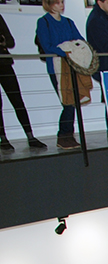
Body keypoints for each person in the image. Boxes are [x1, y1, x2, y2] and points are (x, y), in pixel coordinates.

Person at [36, 0, 87, 150]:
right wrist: (66, 51)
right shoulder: (44, 22)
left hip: (71, 66)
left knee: (72, 101)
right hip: (56, 67)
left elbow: (80, 40)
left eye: (62, 2)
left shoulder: (68, 22)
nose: (61, 5)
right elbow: (47, 46)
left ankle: (67, 135)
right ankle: (64, 135)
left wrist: (74, 50)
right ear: (49, 4)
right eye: (57, 2)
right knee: (68, 102)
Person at [0, 15, 46, 151]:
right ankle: (3, 139)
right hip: (4, 61)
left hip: (4, 64)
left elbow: (11, 42)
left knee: (17, 100)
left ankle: (30, 137)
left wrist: (3, 42)